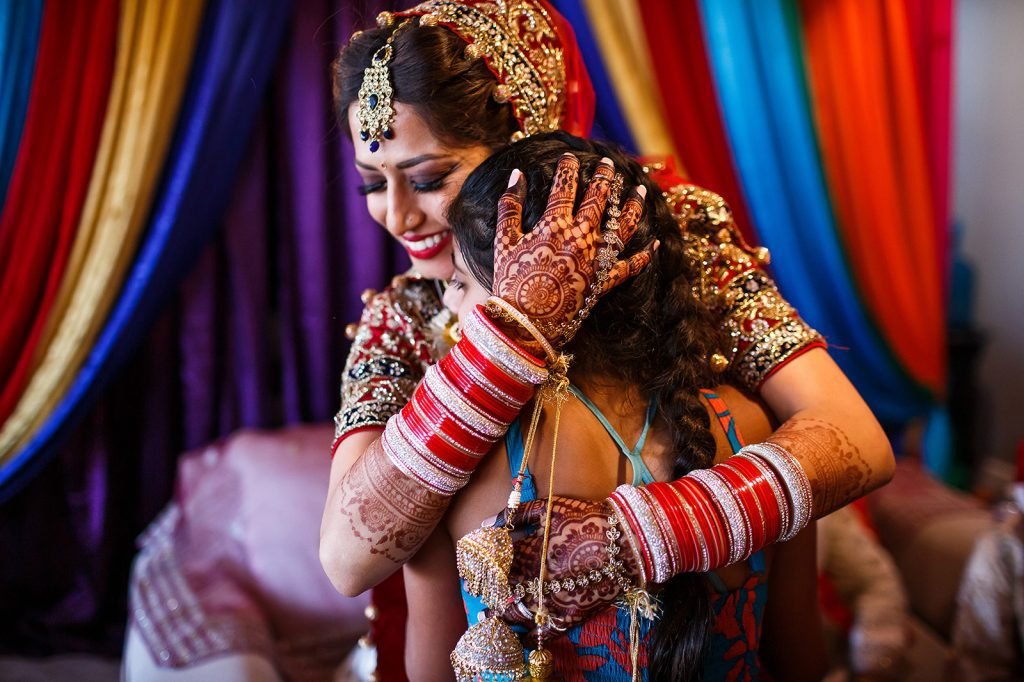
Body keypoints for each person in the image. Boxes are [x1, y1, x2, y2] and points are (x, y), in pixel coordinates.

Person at [321, 1, 893, 675]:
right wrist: (512, 332)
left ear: (528, 150)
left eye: (428, 178)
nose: (395, 214)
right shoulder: (405, 315)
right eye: (370, 184)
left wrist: (629, 540)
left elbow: (858, 442)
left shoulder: (670, 238)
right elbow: (346, 559)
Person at [400, 132, 827, 681]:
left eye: (459, 282)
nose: (451, 304)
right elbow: (802, 661)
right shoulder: (748, 425)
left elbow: (427, 673)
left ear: (532, 289)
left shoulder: (455, 457)